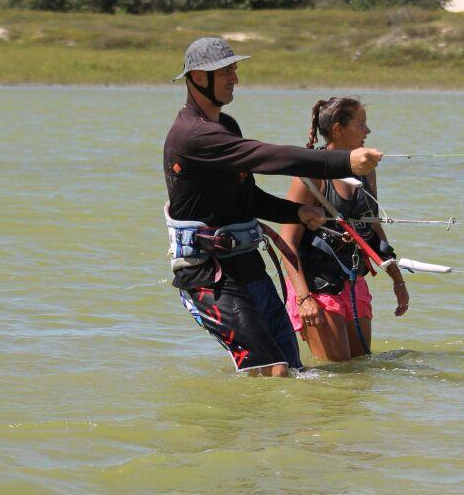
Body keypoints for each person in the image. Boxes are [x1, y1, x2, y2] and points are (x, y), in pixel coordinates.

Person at [164, 37, 383, 377]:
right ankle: (230, 428)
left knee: (293, 369)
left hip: (246, 264)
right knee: (273, 370)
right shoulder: (193, 135)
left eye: (234, 69)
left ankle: (279, 432)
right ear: (197, 77)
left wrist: (294, 213)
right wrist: (343, 161)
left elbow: (247, 196)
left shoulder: (226, 126)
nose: (234, 77)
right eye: (224, 71)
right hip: (208, 276)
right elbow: (266, 156)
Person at [279, 97, 409, 362]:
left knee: (359, 369)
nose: (368, 132)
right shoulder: (311, 174)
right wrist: (304, 299)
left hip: (352, 281)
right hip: (316, 287)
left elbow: (373, 229)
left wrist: (397, 277)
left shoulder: (366, 171)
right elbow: (287, 242)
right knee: (337, 374)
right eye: (361, 125)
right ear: (338, 129)